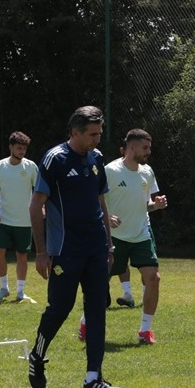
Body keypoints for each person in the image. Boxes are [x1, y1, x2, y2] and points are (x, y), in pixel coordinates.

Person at [26, 106, 121, 388]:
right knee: (60, 308)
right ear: (75, 132)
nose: (97, 139)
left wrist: (109, 243)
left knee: (97, 309)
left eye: (99, 133)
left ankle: (93, 377)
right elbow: (36, 205)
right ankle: (37, 356)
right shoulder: (55, 159)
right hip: (66, 249)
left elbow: (101, 201)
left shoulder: (97, 158)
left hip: (96, 247)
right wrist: (41, 252)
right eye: (92, 134)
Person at [80, 129, 167, 344]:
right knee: (100, 283)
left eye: (149, 147)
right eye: (145, 147)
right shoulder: (110, 171)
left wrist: (154, 206)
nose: (149, 151)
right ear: (132, 147)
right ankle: (85, 323)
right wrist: (105, 218)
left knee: (153, 278)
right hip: (113, 237)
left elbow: (144, 204)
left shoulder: (147, 172)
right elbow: (90, 200)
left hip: (141, 234)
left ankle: (145, 330)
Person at [0, 131, 39, 304]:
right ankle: (4, 288)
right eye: (18, 148)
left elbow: (39, 190)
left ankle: (21, 292)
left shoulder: (31, 166)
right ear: (11, 147)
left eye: (24, 148)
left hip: (25, 221)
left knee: (22, 256)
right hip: (3, 219)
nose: (22, 151)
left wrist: (42, 207)